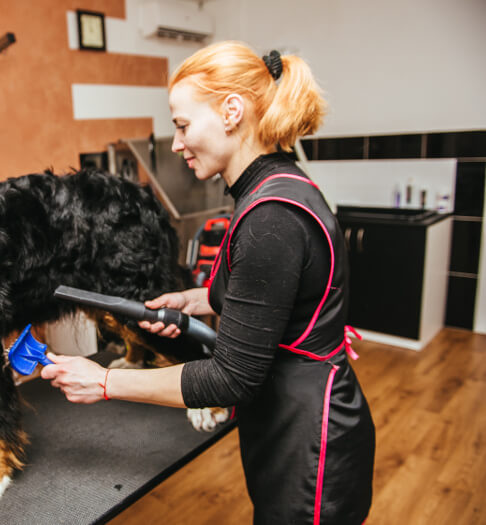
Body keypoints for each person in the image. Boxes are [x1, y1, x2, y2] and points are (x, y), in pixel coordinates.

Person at [41, 41, 375, 524]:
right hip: (292, 420)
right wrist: (193, 300)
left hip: (309, 443)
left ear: (231, 112)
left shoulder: (270, 219)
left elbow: (229, 378)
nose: (176, 144)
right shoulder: (278, 187)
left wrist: (105, 381)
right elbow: (276, 296)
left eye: (182, 125)